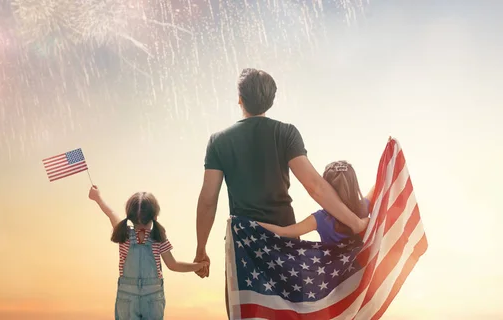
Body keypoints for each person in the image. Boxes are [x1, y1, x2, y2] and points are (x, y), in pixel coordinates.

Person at [192, 68, 370, 316]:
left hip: (244, 245)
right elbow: (315, 186)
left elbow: (208, 199)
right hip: (285, 244)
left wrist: (201, 250)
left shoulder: (218, 141)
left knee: (250, 312)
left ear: (239, 99)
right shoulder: (286, 133)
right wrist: (355, 222)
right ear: (271, 100)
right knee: (289, 313)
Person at [89, 186, 208, 320]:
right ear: (155, 216)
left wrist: (98, 198)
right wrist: (198, 265)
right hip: (153, 298)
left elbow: (111, 213)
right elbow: (173, 265)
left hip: (126, 297)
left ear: (129, 215)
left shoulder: (124, 235)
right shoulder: (158, 238)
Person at [259, 160, 375, 244]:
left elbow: (284, 232)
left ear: (326, 187)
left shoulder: (320, 219)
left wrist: (249, 223)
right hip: (362, 272)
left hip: (336, 277)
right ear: (354, 184)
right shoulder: (363, 207)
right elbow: (379, 185)